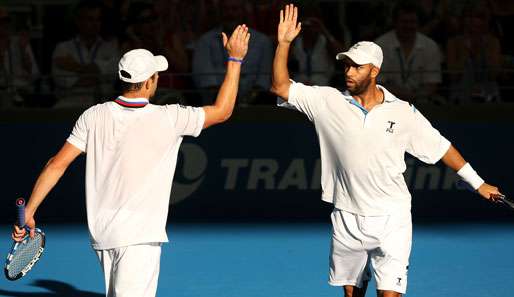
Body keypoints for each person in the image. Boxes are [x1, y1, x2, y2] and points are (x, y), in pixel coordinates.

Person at [270, 4, 502, 297]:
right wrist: (284, 44)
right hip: (347, 217)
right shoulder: (326, 101)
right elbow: (280, 87)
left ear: (375, 71)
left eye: (357, 66)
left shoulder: (404, 112)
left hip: (393, 218)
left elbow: (442, 147)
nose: (348, 72)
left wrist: (478, 183)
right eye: (346, 65)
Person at [12, 25, 250, 297]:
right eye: (156, 75)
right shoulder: (170, 117)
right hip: (138, 237)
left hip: (102, 236)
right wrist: (235, 60)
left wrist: (30, 210)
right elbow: (223, 111)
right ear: (149, 82)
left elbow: (56, 164)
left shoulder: (92, 116)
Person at [192, 0, 272, 105]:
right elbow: (206, 80)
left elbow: (264, 80)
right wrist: (225, 101)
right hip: (215, 104)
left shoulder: (262, 41)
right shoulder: (205, 41)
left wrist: (247, 101)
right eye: (225, 9)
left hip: (255, 106)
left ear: (243, 11)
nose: (230, 13)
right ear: (219, 12)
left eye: (234, 9)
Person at [51, 0, 119, 108]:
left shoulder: (110, 48)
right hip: (70, 102)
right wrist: (97, 73)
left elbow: (112, 76)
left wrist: (73, 67)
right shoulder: (63, 48)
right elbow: (61, 80)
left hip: (101, 103)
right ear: (78, 21)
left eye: (98, 19)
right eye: (90, 19)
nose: (95, 24)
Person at [374, 1, 442, 104]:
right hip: (386, 104)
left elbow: (432, 83)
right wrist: (405, 96)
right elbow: (377, 83)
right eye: (404, 22)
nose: (409, 26)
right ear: (395, 22)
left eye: (413, 22)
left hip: (421, 104)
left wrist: (415, 97)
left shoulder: (430, 46)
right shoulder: (380, 46)